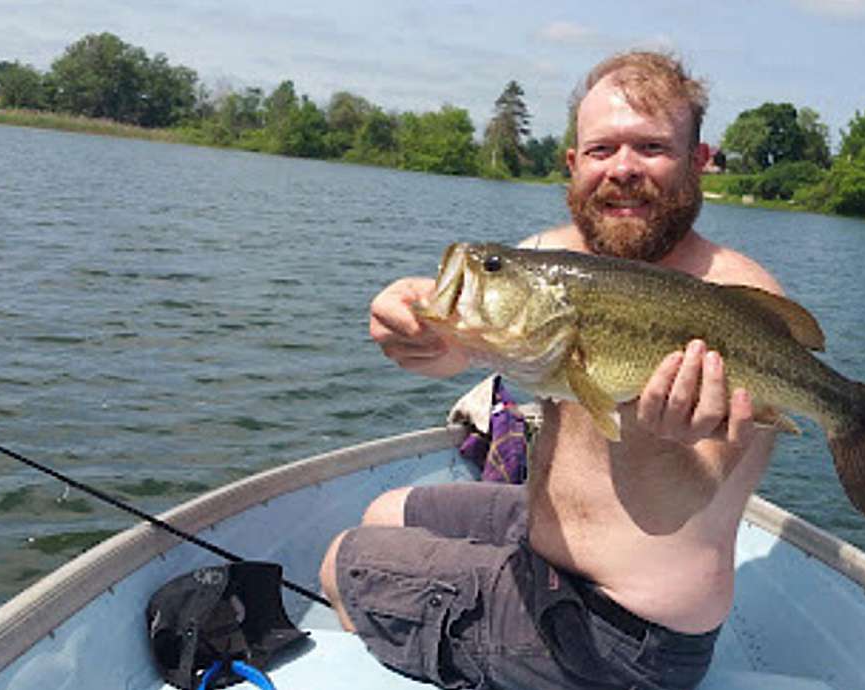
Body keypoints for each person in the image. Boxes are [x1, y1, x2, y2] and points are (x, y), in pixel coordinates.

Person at [319, 50, 785, 690]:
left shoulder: (744, 304)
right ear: (573, 163)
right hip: (548, 537)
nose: (622, 169)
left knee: (340, 559)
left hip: (620, 639)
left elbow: (670, 507)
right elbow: (475, 345)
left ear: (698, 161)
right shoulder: (551, 259)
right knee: (384, 509)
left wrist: (650, 425)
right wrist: (423, 332)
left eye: (651, 147)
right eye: (601, 150)